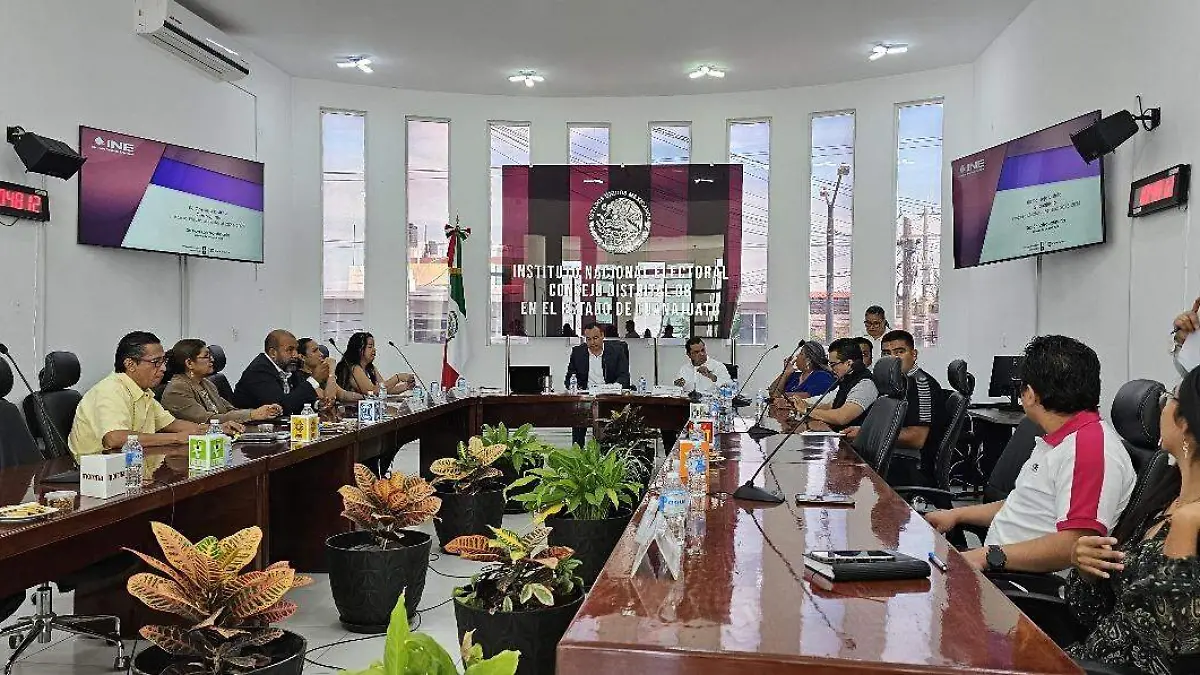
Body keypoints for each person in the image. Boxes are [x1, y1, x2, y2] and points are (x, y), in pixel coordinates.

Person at [925, 336, 1136, 573]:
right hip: (999, 565)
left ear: (1030, 394)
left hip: (1024, 581)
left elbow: (1075, 545)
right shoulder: (1061, 439)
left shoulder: (1089, 450)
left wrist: (986, 556)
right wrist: (956, 514)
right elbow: (1025, 505)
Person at [1063, 366, 1200, 674]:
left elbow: (1178, 644)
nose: (1162, 406)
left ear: (1186, 422)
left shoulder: (1191, 520)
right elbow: (1092, 615)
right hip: (1087, 658)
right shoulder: (1163, 493)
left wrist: (1185, 528)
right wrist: (1086, 571)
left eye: (1170, 397)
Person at [68, 332, 240, 459]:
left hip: (131, 465)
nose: (163, 368)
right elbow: (114, 438)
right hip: (93, 476)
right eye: (156, 362)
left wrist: (215, 429)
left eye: (163, 361)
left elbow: (173, 424)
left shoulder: (144, 392)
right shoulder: (110, 390)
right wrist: (176, 438)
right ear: (130, 364)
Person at [846, 330, 944, 483]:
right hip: (893, 454)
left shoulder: (921, 385)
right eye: (886, 353)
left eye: (899, 352)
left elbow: (917, 438)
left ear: (914, 354)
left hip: (912, 463)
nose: (893, 358)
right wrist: (863, 431)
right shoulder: (896, 384)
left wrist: (865, 434)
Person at [160, 339, 281, 424]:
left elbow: (229, 410)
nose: (212, 359)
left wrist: (264, 412)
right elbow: (208, 420)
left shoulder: (207, 383)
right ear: (189, 363)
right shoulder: (177, 389)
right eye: (206, 356)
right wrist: (252, 415)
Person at [786, 338, 877, 431]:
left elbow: (842, 417)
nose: (831, 369)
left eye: (833, 364)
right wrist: (803, 404)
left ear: (849, 363)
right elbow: (832, 405)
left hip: (851, 438)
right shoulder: (848, 379)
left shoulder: (865, 384)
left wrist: (807, 410)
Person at [565, 321, 631, 446]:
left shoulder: (617, 351)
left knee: (608, 432)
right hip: (586, 399)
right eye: (588, 339)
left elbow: (624, 377)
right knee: (578, 417)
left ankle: (607, 451)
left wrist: (615, 387)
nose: (592, 343)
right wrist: (575, 386)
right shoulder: (578, 352)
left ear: (602, 336)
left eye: (595, 338)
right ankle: (577, 453)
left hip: (609, 398)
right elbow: (569, 378)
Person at [233, 330, 320, 416]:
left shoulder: (288, 368)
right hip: (250, 424)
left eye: (296, 350)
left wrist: (317, 404)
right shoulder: (258, 371)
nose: (296, 355)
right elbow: (281, 406)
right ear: (273, 353)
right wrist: (314, 379)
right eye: (290, 350)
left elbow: (297, 398)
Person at [334, 332, 415, 396]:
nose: (374, 350)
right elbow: (373, 391)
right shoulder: (354, 368)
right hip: (352, 410)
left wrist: (405, 387)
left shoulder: (371, 368)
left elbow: (385, 390)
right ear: (359, 349)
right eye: (370, 347)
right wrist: (397, 377)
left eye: (374, 346)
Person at [298, 337, 361, 403]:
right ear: (302, 357)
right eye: (315, 351)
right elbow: (328, 399)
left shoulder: (322, 374)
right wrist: (331, 371)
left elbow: (343, 395)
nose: (321, 354)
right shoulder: (300, 378)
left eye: (319, 350)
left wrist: (365, 397)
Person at [769, 341, 835, 399]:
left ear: (808, 361)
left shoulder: (822, 376)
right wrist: (785, 373)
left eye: (801, 354)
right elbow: (772, 392)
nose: (797, 356)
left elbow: (808, 397)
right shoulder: (795, 376)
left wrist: (779, 396)